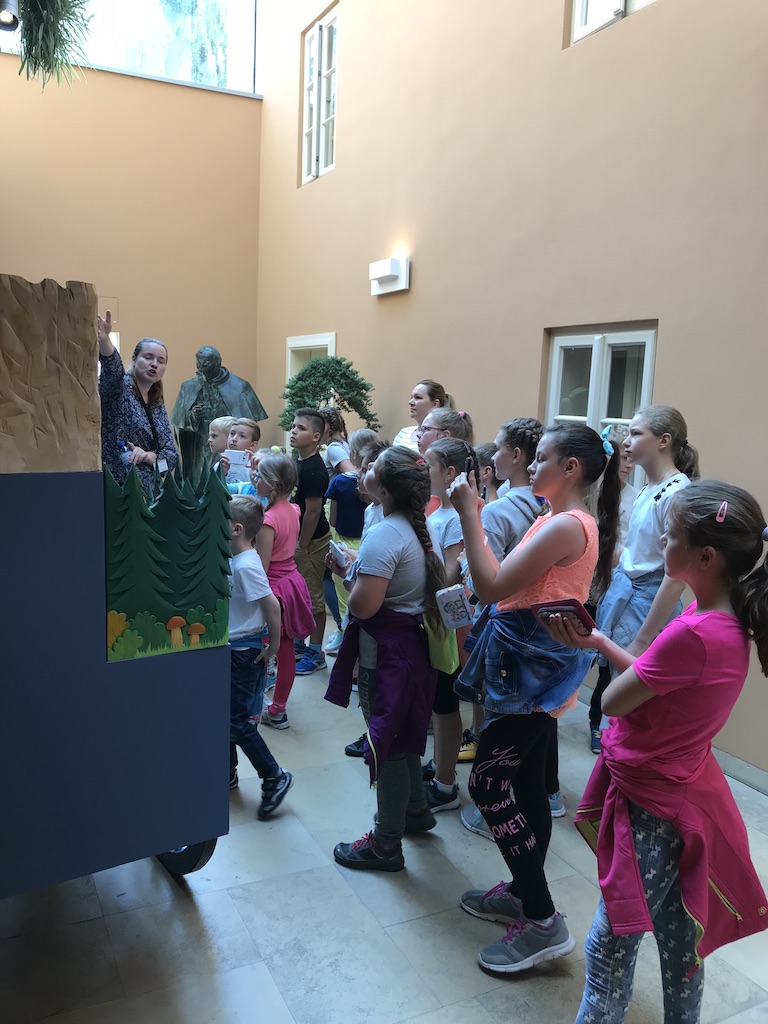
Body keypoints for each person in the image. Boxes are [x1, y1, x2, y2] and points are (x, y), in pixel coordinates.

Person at [544, 480, 768, 1024]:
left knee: (609, 947)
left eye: (669, 536)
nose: (661, 544)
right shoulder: (726, 622)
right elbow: (658, 681)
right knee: (679, 940)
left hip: (656, 807)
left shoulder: (692, 633)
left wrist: (602, 661)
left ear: (704, 557)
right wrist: (601, 643)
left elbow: (616, 701)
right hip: (684, 790)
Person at [449, 422, 620, 973]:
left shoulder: (567, 524)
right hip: (529, 665)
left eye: (541, 458)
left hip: (531, 673)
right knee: (524, 784)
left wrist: (470, 516)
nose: (531, 466)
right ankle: (525, 893)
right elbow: (510, 585)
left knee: (488, 784)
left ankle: (543, 919)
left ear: (571, 469)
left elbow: (491, 586)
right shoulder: (557, 518)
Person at [326, 446, 447, 871]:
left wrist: (346, 573)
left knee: (388, 744)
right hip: (412, 649)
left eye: (371, 468)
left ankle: (386, 843)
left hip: (386, 656)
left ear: (385, 489)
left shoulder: (384, 534)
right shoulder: (415, 528)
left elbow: (364, 607)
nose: (362, 471)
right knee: (405, 730)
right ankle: (415, 809)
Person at [592, 406, 699, 754]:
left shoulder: (676, 494)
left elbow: (675, 576)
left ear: (664, 441)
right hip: (629, 598)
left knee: (632, 703)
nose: (627, 441)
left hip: (647, 607)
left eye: (637, 433)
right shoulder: (648, 489)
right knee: (617, 695)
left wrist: (642, 640)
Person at [459, 418, 545, 838]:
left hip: (507, 626)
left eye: (498, 448)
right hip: (540, 632)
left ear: (516, 455)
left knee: (499, 717)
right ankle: (541, 797)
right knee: (533, 731)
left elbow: (482, 578)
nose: (492, 456)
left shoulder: (501, 510)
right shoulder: (548, 508)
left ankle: (496, 811)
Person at [421, 437, 480, 815]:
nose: (423, 470)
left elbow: (451, 571)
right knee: (439, 702)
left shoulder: (457, 518)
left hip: (449, 622)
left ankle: (445, 785)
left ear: (450, 473)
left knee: (445, 701)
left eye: (429, 465)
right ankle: (441, 764)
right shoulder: (439, 511)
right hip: (437, 617)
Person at [227, 496, 294, 820]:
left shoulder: (246, 565)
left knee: (237, 721)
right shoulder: (236, 559)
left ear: (236, 529)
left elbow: (272, 604)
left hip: (244, 654)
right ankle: (227, 772)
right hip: (232, 649)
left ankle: (274, 775)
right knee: (224, 715)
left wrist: (274, 645)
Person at [586, 425, 639, 753]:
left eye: (632, 457)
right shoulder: (591, 492)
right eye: (622, 456)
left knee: (608, 660)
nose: (628, 463)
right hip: (587, 586)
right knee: (578, 653)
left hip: (616, 589)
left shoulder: (637, 497)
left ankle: (598, 721)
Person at [254, 455, 317, 730]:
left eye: (259, 476)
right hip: (291, 582)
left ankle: (261, 708)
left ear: (272, 484)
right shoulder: (293, 509)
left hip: (274, 590)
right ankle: (278, 707)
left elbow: (262, 566)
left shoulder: (268, 520)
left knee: (263, 648)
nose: (255, 480)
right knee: (286, 649)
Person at [97, 310, 178, 492]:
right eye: (148, 357)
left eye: (161, 361)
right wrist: (104, 340)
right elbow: (112, 367)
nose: (154, 364)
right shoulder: (118, 387)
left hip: (150, 491)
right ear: (134, 359)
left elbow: (171, 458)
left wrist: (149, 456)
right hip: (117, 487)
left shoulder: (157, 403)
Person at [170, 345, 268, 484]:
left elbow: (248, 426)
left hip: (229, 446)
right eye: (198, 364)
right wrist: (193, 417)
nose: (201, 369)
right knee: (200, 481)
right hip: (200, 445)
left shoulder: (240, 386)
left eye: (205, 365)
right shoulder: (188, 386)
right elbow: (179, 421)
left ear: (218, 364)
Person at [324, 428, 375, 655]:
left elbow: (333, 520)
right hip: (368, 545)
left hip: (345, 545)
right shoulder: (375, 489)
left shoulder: (339, 483)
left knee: (345, 599)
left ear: (353, 453)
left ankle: (345, 637)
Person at [290, 408, 332, 675]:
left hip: (312, 542)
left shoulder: (314, 469)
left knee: (313, 597)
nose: (294, 431)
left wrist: (302, 545)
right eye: (294, 426)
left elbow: (313, 512)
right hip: (299, 539)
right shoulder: (298, 461)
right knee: (299, 593)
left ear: (316, 437)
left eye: (302, 428)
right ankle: (298, 642)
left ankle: (316, 652)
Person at [393, 379, 455, 451]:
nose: (410, 402)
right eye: (411, 397)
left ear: (435, 404)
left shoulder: (440, 437)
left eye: (418, 397)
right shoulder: (404, 432)